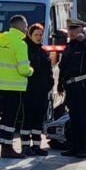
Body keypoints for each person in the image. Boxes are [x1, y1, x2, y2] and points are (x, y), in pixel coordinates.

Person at [57, 19, 86, 159]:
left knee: (84, 118)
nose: (71, 31)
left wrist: (85, 40)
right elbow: (63, 66)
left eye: (74, 28)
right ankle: (75, 146)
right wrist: (60, 84)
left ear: (82, 29)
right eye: (70, 29)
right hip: (71, 86)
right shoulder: (69, 47)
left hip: (84, 86)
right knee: (73, 117)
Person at [0, 14, 34, 158]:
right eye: (26, 25)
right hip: (16, 88)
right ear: (22, 26)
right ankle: (8, 148)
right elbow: (23, 69)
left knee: (5, 119)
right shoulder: (20, 44)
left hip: (2, 86)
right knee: (11, 119)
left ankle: (4, 146)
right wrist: (31, 71)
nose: (27, 28)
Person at [22, 22, 54, 156]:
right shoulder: (25, 50)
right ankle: (25, 146)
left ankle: (36, 146)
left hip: (42, 90)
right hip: (29, 90)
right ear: (30, 35)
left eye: (40, 35)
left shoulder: (43, 51)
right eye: (36, 35)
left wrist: (49, 84)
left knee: (38, 119)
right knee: (27, 119)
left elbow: (48, 71)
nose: (39, 37)